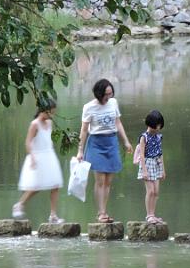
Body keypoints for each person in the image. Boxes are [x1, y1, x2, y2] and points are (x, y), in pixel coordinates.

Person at [77, 78, 133, 222]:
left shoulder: (113, 103)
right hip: (96, 142)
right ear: (99, 93)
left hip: (111, 141)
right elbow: (84, 130)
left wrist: (126, 142)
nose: (108, 97)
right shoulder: (89, 107)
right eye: (106, 94)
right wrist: (80, 150)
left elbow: (118, 123)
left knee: (108, 180)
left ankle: (104, 210)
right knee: (100, 180)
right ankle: (101, 213)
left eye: (110, 94)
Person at [13, 98, 65, 223]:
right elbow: (28, 142)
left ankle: (53, 215)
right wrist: (32, 157)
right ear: (44, 110)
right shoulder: (35, 124)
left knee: (55, 184)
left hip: (49, 155)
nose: (52, 115)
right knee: (35, 186)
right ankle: (19, 204)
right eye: (50, 112)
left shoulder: (49, 124)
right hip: (37, 155)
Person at [135, 110, 167, 224]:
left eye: (160, 125)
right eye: (157, 125)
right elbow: (142, 154)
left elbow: (160, 153)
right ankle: (149, 215)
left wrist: (163, 169)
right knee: (150, 191)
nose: (158, 127)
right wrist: (144, 171)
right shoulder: (144, 137)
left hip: (157, 163)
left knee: (156, 191)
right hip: (147, 164)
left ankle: (153, 214)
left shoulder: (159, 136)